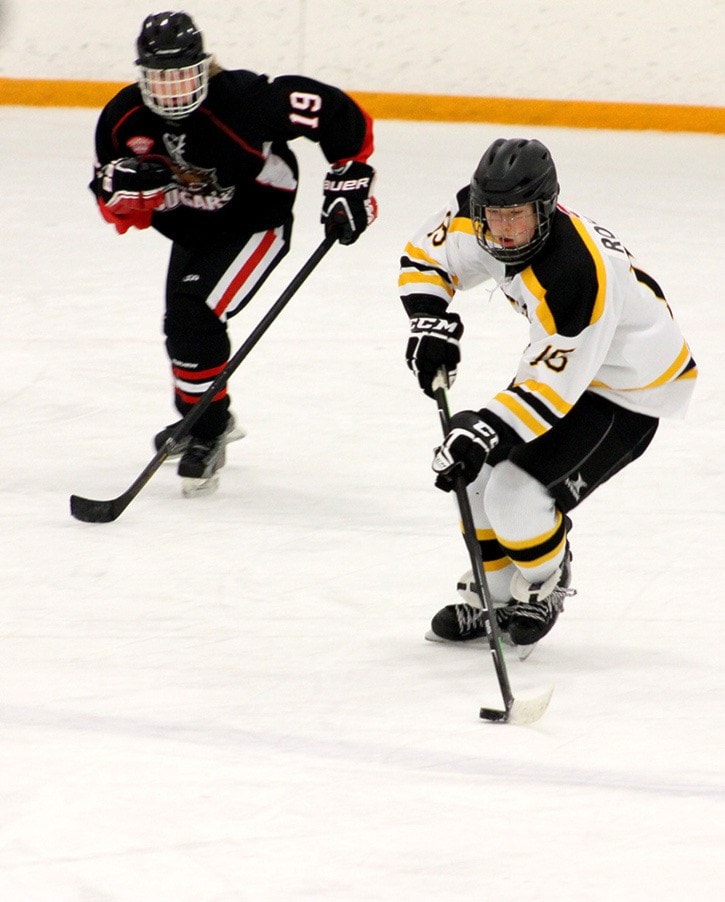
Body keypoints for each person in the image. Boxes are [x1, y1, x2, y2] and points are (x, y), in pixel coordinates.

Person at [400, 137, 696, 648]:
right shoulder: (477, 216)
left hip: (631, 387)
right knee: (473, 480)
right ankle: (492, 597)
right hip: (572, 367)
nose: (506, 231)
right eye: (495, 216)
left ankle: (543, 582)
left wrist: (485, 430)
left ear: (546, 209)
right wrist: (428, 317)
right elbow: (428, 256)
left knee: (515, 495)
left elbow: (550, 391)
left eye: (518, 216)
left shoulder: (576, 272)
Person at [90, 11, 377, 495]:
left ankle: (206, 428)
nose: (173, 91)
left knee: (192, 318)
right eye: (160, 79)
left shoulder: (244, 99)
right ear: (142, 77)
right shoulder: (122, 120)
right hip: (193, 230)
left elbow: (333, 109)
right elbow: (114, 206)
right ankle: (202, 418)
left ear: (204, 68)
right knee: (181, 327)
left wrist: (350, 174)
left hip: (255, 220)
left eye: (182, 75)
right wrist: (123, 190)